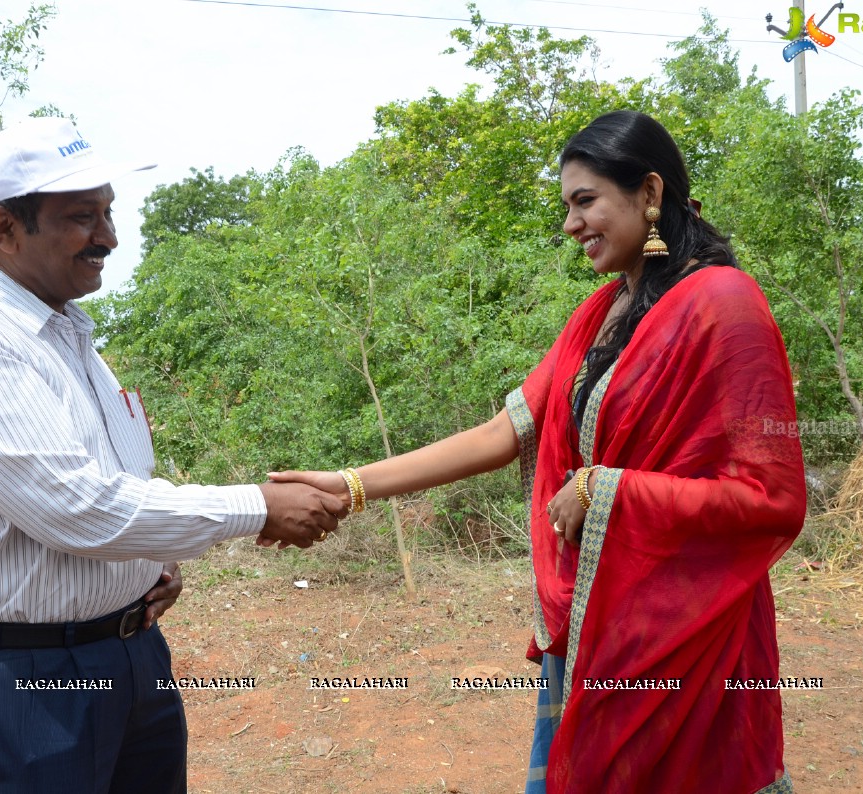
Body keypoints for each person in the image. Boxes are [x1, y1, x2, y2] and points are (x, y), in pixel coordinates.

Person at [270, 110, 806, 793]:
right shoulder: (603, 314)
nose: (571, 224)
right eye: (566, 206)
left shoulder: (724, 305)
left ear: (648, 193)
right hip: (596, 626)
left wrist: (603, 490)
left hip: (687, 632)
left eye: (586, 201)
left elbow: (774, 498)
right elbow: (502, 434)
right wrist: (349, 485)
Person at [0, 116, 345, 794]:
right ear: (5, 227)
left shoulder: (68, 337)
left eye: (107, 212)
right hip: (21, 683)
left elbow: (108, 486)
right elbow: (73, 508)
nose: (108, 236)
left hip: (129, 654)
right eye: (82, 217)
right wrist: (255, 507)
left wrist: (147, 566)